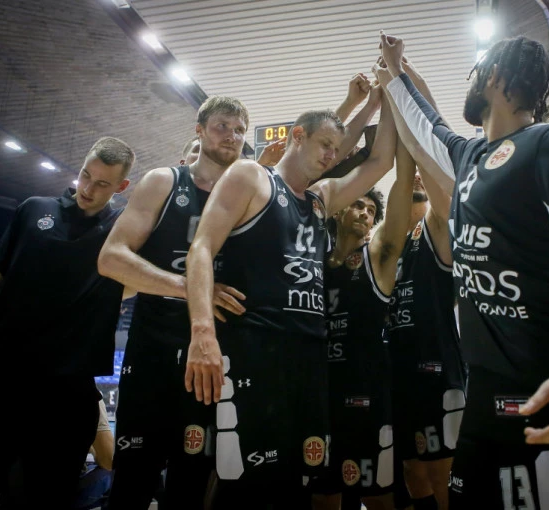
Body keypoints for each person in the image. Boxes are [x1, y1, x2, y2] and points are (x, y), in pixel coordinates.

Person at [378, 33, 549, 507]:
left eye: (474, 75)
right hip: (485, 393)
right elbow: (427, 125)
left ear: (495, 77)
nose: (469, 84)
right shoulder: (472, 156)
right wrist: (394, 71)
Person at [184, 87, 396, 506]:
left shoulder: (321, 200)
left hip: (310, 355)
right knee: (245, 485)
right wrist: (202, 330)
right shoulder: (251, 176)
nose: (332, 156)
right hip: (256, 349)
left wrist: (386, 98)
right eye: (325, 145)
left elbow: (379, 162)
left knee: (298, 487)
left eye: (336, 149)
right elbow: (201, 248)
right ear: (298, 136)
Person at [0, 137, 133, 509]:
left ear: (121, 187)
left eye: (102, 183)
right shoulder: (34, 208)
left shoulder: (123, 232)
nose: (88, 188)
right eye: (86, 175)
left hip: (64, 398)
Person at [98, 96, 252, 510]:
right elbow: (111, 258)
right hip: (153, 352)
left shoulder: (252, 196)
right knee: (131, 485)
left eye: (239, 130)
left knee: (190, 490)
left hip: (214, 360)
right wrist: (194, 287)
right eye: (222, 126)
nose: (232, 136)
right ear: (199, 130)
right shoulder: (164, 181)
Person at [314, 138, 414, 510]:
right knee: (323, 497)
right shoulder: (313, 260)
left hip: (367, 396)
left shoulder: (377, 258)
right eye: (357, 204)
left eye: (371, 210)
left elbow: (401, 198)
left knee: (378, 498)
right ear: (339, 210)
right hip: (322, 394)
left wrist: (403, 147)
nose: (365, 213)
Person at [388, 162, 463, 510]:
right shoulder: (385, 247)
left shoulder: (433, 233)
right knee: (412, 472)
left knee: (441, 474)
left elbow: (442, 207)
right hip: (399, 375)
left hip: (436, 371)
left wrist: (419, 159)